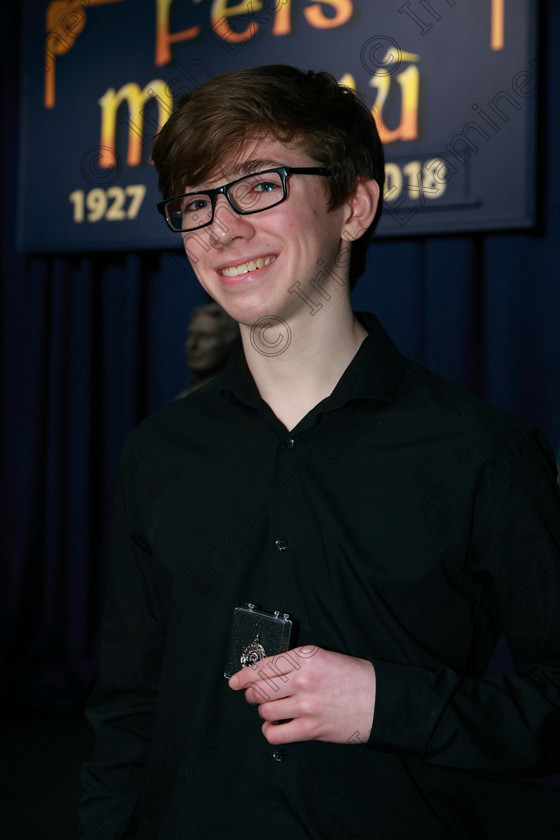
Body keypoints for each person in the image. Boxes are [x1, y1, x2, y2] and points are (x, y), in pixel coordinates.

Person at [78, 65, 560, 839]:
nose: (220, 228)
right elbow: (128, 708)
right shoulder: (160, 451)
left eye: (258, 185)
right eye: (195, 201)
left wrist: (385, 704)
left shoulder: (484, 453)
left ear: (354, 205)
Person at [175, 302, 238, 398]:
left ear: (230, 342)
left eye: (205, 337)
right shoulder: (183, 397)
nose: (192, 345)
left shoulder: (232, 399)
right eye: (190, 335)